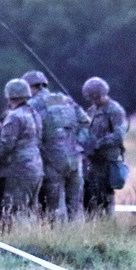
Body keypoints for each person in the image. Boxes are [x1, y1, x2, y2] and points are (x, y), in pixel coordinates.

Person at [23, 70, 89, 223]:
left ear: (32, 88)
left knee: (56, 205)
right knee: (76, 204)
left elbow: (27, 132)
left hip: (52, 160)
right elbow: (86, 122)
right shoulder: (66, 100)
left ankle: (61, 238)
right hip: (75, 158)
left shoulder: (32, 105)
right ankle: (80, 237)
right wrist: (79, 145)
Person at [0, 78, 43, 225]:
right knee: (30, 209)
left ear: (9, 96)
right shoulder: (34, 114)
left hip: (19, 169)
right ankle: (33, 239)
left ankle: (20, 242)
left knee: (15, 210)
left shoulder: (14, 116)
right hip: (36, 167)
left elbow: (6, 145)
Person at [81, 76, 128, 216]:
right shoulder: (92, 110)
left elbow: (119, 135)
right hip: (93, 161)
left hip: (108, 160)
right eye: (91, 99)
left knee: (106, 196)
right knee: (92, 194)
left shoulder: (115, 110)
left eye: (96, 98)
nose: (94, 101)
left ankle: (108, 222)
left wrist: (98, 143)